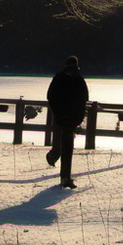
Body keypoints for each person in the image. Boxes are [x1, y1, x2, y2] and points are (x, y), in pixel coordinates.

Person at [46, 55, 89, 189]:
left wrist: (57, 113)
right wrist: (78, 118)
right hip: (71, 118)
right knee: (67, 148)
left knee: (59, 142)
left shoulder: (58, 78)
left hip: (60, 117)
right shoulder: (79, 80)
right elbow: (83, 100)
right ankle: (65, 177)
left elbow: (51, 96)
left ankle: (55, 159)